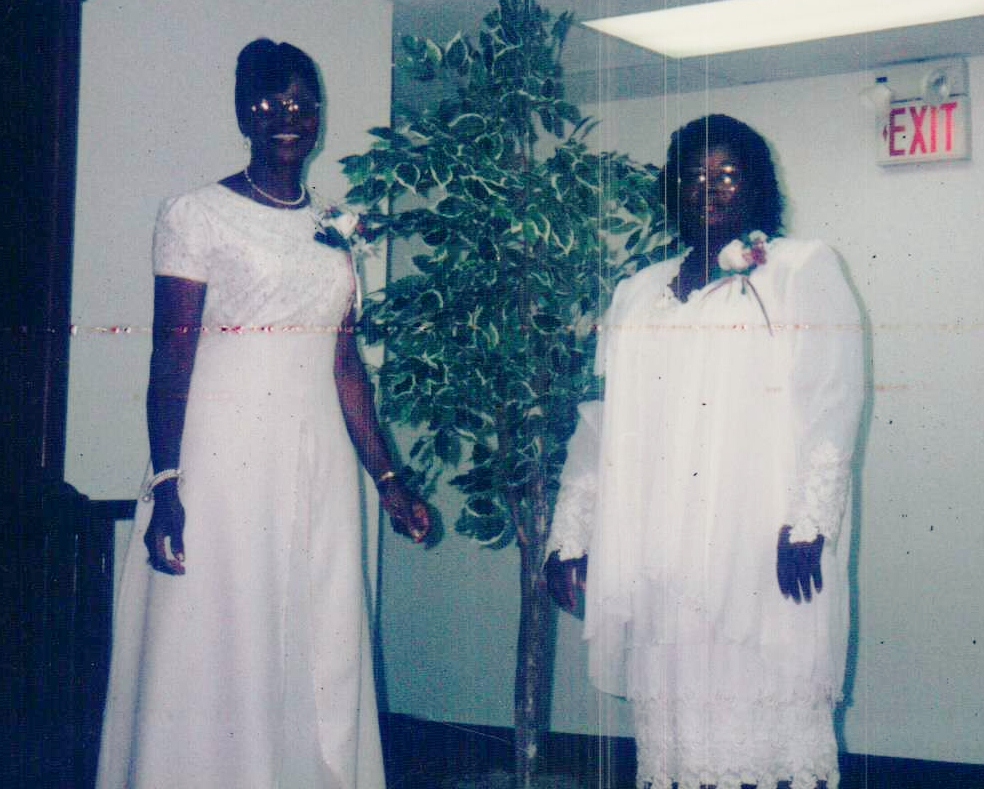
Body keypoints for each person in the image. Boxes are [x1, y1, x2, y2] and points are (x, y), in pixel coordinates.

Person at [96, 39, 430, 788]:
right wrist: (167, 482)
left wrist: (389, 479)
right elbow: (170, 359)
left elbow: (345, 365)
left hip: (319, 463)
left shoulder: (336, 228)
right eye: (270, 101)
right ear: (243, 113)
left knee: (318, 641)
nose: (289, 114)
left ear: (319, 117)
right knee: (219, 636)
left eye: (304, 102)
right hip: (222, 460)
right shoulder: (196, 214)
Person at [545, 115, 864, 789]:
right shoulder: (637, 292)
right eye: (693, 174)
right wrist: (569, 533)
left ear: (757, 185)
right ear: (672, 188)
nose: (708, 187)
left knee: (763, 739)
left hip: (759, 549)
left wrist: (810, 523)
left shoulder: (797, 269)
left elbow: (832, 401)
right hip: (661, 554)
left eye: (727, 174)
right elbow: (601, 423)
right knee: (682, 749)